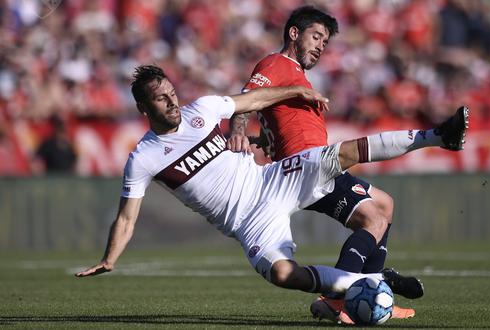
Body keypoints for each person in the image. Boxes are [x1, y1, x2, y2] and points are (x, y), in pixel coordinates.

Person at [75, 65, 468, 324]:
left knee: (342, 154)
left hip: (271, 180)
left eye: (172, 92)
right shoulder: (142, 157)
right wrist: (110, 259)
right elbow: (126, 217)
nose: (172, 100)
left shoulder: (204, 108)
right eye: (161, 98)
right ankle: (364, 282)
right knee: (284, 274)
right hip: (248, 222)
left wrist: (297, 88)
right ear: (144, 107)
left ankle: (438, 136)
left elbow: (255, 100)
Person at [228, 5, 468, 323]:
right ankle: (338, 298)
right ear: (294, 33)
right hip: (309, 167)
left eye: (325, 42)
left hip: (309, 167)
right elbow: (245, 99)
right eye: (316, 36)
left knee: (385, 205)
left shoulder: (295, 78)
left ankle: (371, 292)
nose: (320, 46)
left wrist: (265, 140)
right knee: (374, 218)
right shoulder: (277, 63)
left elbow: (275, 117)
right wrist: (238, 132)